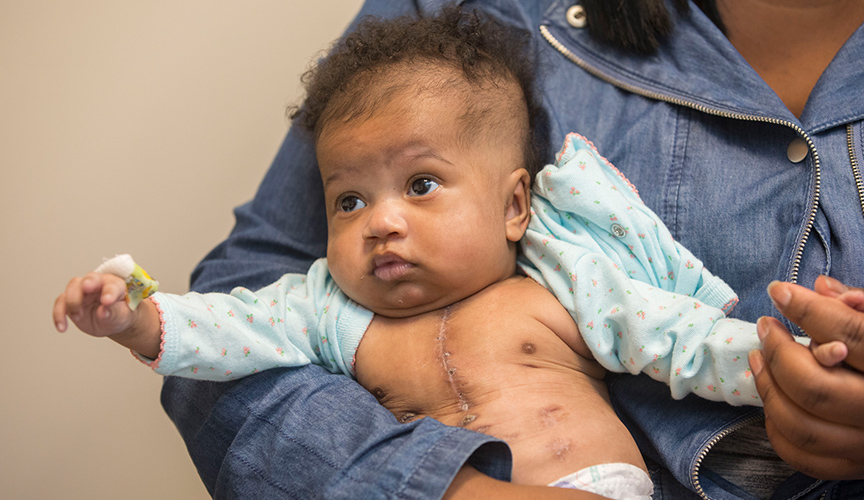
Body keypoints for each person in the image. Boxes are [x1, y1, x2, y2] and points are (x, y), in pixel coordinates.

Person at [67, 1, 861, 499]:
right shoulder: (321, 310)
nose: (380, 222)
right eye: (349, 201)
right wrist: (133, 315)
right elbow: (223, 330)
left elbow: (680, 341)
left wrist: (786, 364)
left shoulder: (564, 283)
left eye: (420, 187)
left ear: (515, 204)